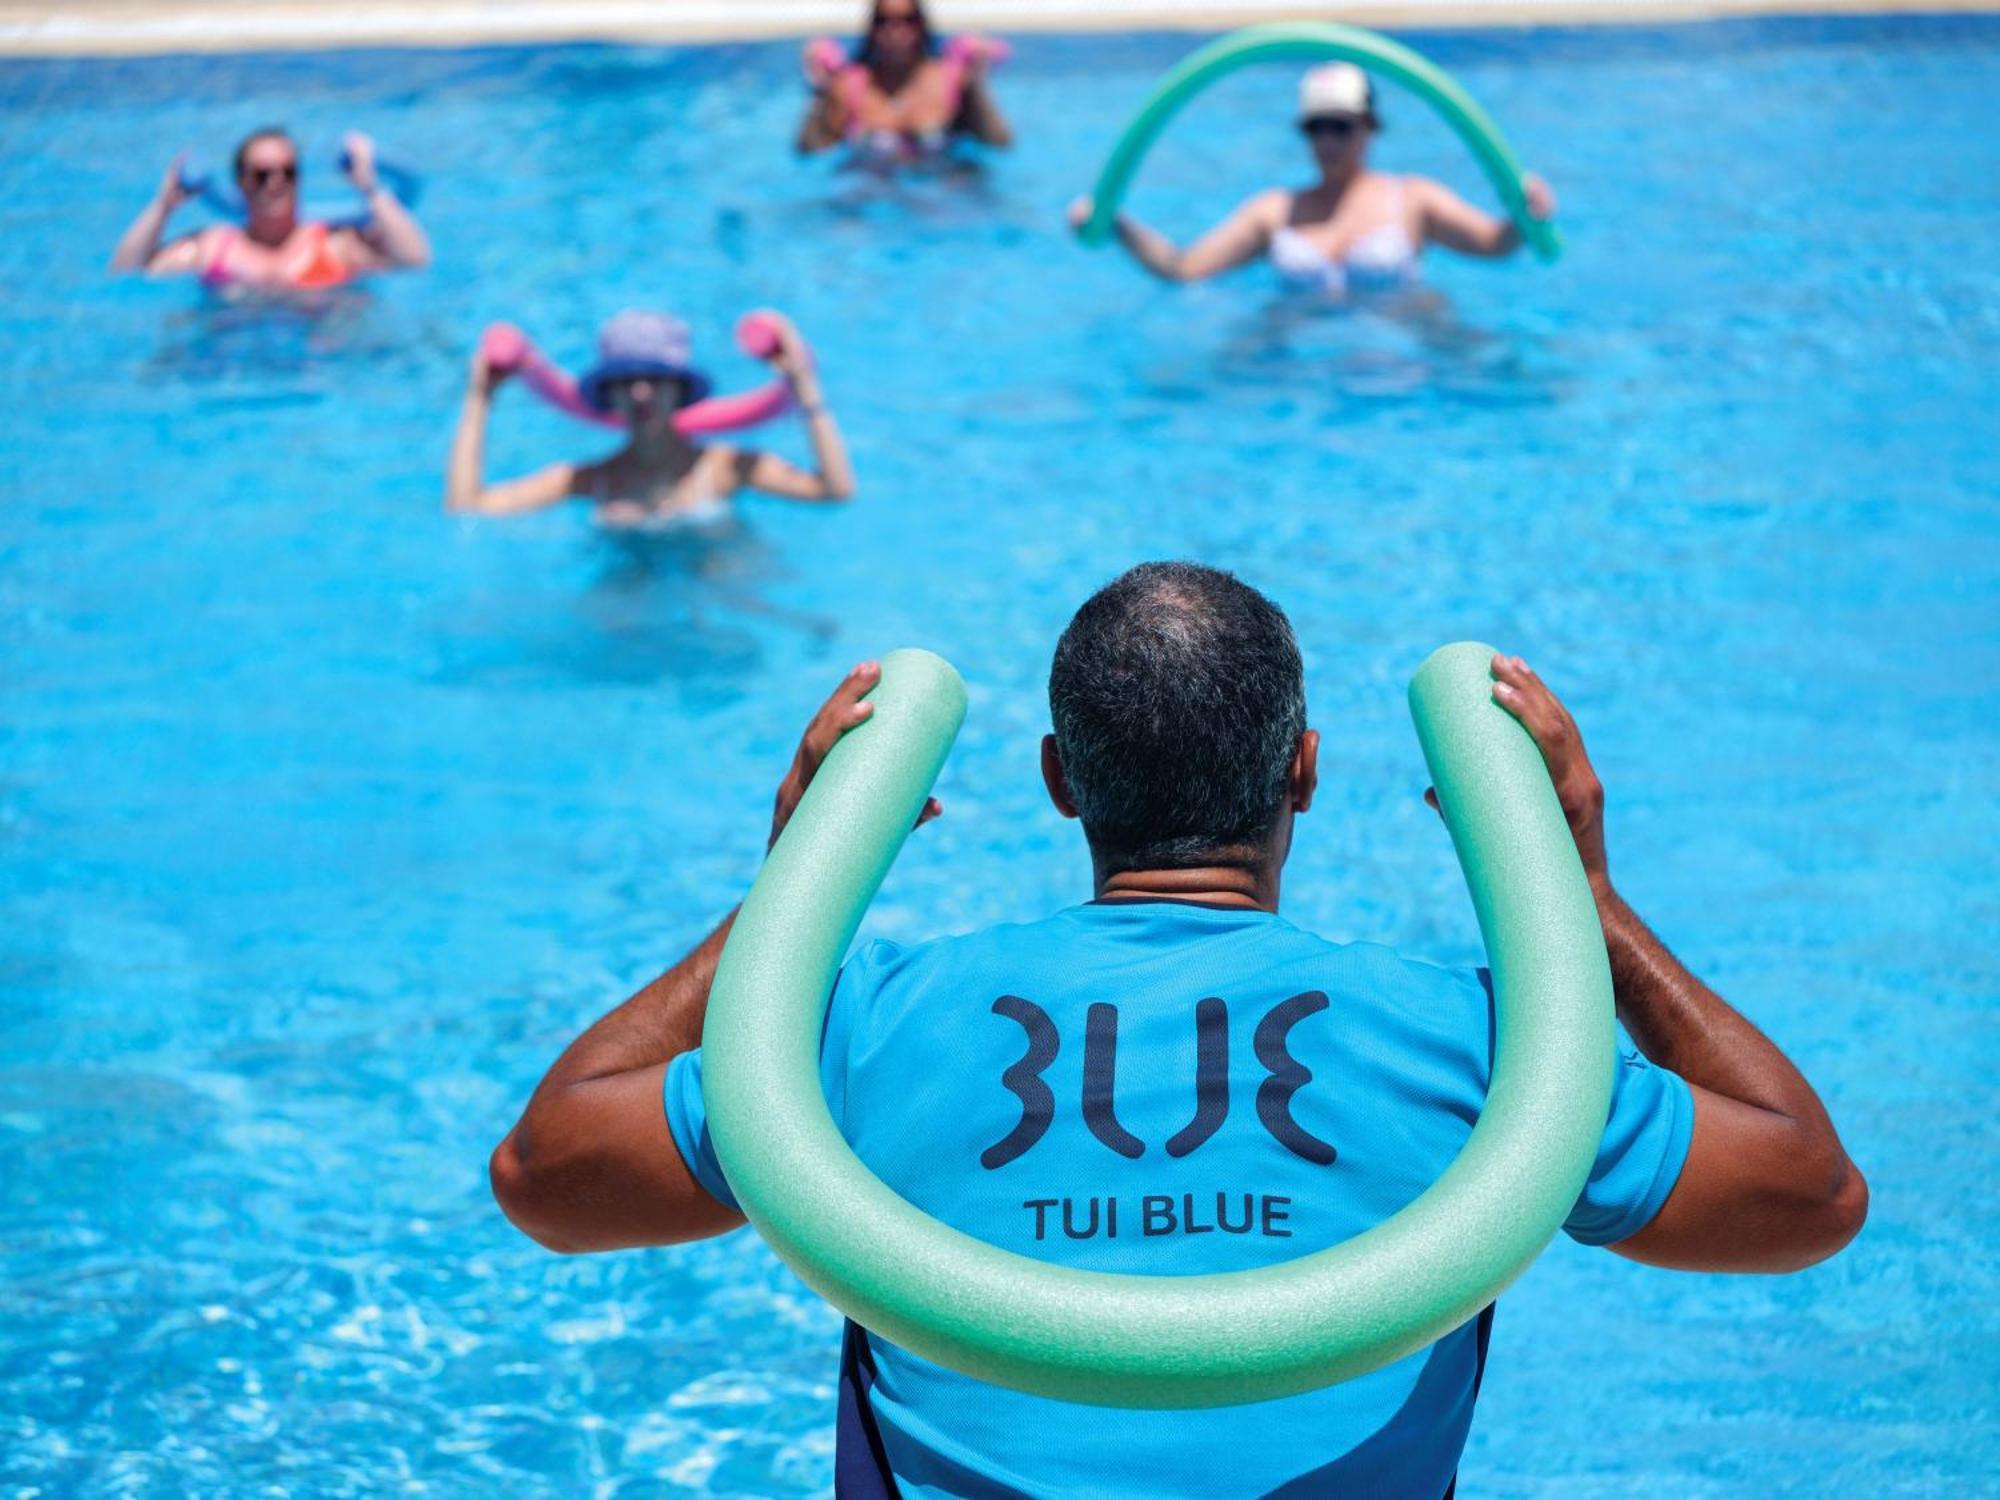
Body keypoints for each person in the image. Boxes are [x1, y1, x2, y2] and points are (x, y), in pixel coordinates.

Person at [489, 563, 1866, 1496]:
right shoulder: (1495, 1054)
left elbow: (546, 1180)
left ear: (1054, 783)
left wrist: (793, 894)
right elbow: (1809, 1196)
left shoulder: (854, 1031)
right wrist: (1583, 906)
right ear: (1306, 772)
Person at [1071, 64, 1555, 296]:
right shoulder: (1274, 211)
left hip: (1403, 359)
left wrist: (1524, 212)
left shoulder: (1411, 200)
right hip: (1298, 373)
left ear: (1370, 128)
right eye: (1316, 128)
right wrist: (1116, 224)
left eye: (1341, 127)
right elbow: (1183, 268)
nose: (1329, 141)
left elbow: (1495, 245)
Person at [446, 309, 854, 525]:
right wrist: (479, 398)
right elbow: (468, 505)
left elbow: (835, 491)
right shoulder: (592, 480)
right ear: (609, 396)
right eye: (625, 381)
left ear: (679, 391)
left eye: (654, 379)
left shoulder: (726, 467)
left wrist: (804, 385)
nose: (641, 392)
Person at [110, 128, 430, 289]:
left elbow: (415, 261)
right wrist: (163, 206)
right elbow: (126, 273)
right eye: (262, 175)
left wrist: (370, 189)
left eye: (287, 173)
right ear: (240, 182)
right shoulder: (212, 247)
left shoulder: (336, 245)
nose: (275, 183)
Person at [797, 0, 1012, 158]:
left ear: (922, 26)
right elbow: (810, 149)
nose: (895, 31)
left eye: (906, 21)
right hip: (869, 189)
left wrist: (976, 81)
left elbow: (999, 142)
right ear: (871, 30)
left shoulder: (950, 80)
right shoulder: (850, 86)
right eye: (884, 21)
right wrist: (819, 89)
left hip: (942, 184)